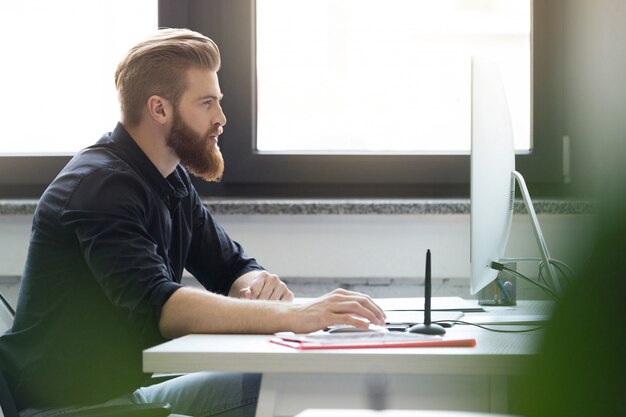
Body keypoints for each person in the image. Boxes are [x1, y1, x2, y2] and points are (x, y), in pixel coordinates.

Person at [0, 28, 386, 417]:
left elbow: (230, 266)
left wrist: (255, 286)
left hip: (125, 399)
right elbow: (162, 308)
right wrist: (298, 315)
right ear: (159, 109)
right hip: (72, 410)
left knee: (284, 381)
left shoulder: (169, 177)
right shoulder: (101, 187)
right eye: (206, 103)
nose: (221, 118)